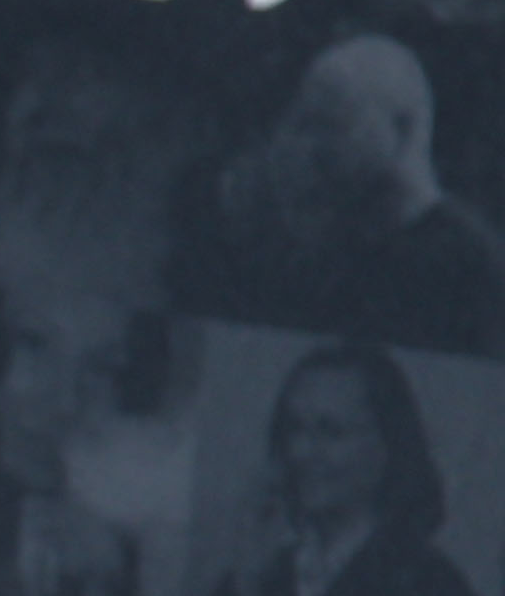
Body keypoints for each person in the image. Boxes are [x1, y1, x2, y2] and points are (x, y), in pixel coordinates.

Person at [183, 34, 505, 359]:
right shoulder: (333, 255)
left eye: (329, 125)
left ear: (401, 128)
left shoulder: (470, 266)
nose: (309, 148)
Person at [189, 342, 487, 596]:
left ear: (387, 446)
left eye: (330, 432)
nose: (301, 452)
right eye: (294, 428)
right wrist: (245, 586)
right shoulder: (260, 579)